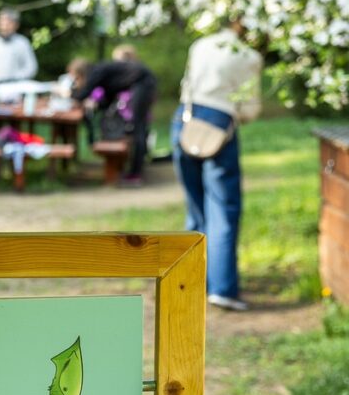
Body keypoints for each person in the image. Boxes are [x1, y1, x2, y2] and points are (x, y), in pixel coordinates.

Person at [173, 22, 263, 311]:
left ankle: (191, 282)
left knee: (196, 208)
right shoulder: (249, 57)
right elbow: (249, 108)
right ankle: (222, 288)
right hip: (219, 127)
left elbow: (186, 85)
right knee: (223, 209)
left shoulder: (201, 45)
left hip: (185, 122)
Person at [68, 56, 157, 183]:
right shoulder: (103, 75)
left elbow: (83, 94)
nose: (76, 83)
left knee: (138, 128)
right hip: (143, 83)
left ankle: (136, 173)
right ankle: (135, 170)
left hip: (143, 84)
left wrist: (68, 94)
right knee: (139, 128)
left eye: (76, 78)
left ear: (82, 74)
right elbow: (108, 98)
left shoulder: (96, 72)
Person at [0, 7, 38, 91]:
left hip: (16, 89)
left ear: (16, 25)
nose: (4, 26)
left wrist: (16, 78)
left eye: (7, 23)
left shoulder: (22, 43)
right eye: (1, 23)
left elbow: (31, 68)